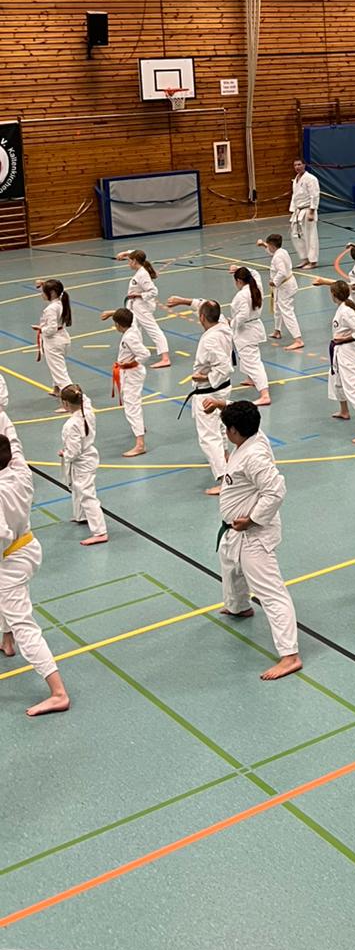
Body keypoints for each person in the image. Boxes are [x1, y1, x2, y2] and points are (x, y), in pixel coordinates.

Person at [211, 399, 301, 681]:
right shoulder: (254, 435)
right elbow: (245, 412)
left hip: (254, 532)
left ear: (234, 431)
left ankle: (290, 655)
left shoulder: (254, 456)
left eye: (227, 428)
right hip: (235, 531)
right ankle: (238, 607)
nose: (226, 432)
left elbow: (276, 490)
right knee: (231, 567)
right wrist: (221, 404)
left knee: (270, 592)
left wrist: (252, 519)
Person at [0, 429, 71, 714]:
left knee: (24, 625)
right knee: (6, 600)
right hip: (28, 546)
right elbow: (14, 442)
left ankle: (58, 692)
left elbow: (1, 536)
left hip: (10, 559)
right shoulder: (20, 471)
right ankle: (6, 641)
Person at [172, 298, 235, 493]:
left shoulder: (210, 340)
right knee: (221, 429)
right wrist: (183, 301)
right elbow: (205, 304)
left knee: (209, 437)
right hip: (223, 389)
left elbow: (224, 366)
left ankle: (224, 480)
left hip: (209, 392)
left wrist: (205, 376)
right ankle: (226, 460)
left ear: (201, 318)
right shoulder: (223, 325)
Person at [323, 280, 355, 443]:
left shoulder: (346, 311)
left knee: (352, 388)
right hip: (340, 351)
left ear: (334, 295)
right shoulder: (345, 304)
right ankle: (344, 411)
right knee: (336, 379)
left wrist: (346, 338)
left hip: (347, 352)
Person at [59, 384, 107, 545]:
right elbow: (85, 399)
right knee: (78, 488)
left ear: (65, 403)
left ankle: (100, 532)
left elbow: (74, 451)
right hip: (88, 455)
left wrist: (65, 453)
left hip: (82, 461)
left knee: (87, 494)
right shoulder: (87, 411)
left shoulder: (71, 424)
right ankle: (81, 516)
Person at [103, 306, 149, 456]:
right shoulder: (133, 327)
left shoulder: (130, 337)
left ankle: (140, 444)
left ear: (118, 324)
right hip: (130, 373)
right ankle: (140, 427)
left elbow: (145, 354)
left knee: (131, 406)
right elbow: (132, 313)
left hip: (132, 373)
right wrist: (112, 313)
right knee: (133, 403)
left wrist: (130, 363)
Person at [115, 248, 172, 368]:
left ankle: (165, 358)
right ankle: (136, 352)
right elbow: (137, 253)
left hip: (142, 307)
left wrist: (138, 295)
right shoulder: (139, 269)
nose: (128, 263)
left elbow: (153, 291)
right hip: (135, 307)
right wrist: (125, 253)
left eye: (129, 261)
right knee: (134, 329)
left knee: (153, 330)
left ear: (135, 261)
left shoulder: (142, 275)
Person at [229, 266, 271, 407]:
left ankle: (265, 395)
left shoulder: (242, 295)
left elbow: (243, 315)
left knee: (253, 362)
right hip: (253, 327)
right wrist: (240, 268)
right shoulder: (256, 286)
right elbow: (256, 273)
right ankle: (251, 378)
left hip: (246, 331)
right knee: (248, 358)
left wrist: (231, 323)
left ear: (239, 281)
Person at [258, 233, 304, 351]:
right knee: (277, 308)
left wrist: (274, 282)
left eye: (268, 245)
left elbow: (282, 272)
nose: (268, 247)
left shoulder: (278, 257)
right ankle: (277, 331)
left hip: (285, 287)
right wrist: (264, 245)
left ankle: (298, 340)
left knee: (287, 311)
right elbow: (272, 252)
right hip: (285, 285)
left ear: (272, 245)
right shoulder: (282, 251)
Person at [33, 278, 73, 396]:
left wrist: (41, 329)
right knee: (57, 367)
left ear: (52, 293)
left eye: (43, 291)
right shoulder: (60, 302)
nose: (41, 294)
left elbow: (51, 329)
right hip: (62, 338)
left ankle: (72, 396)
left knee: (60, 373)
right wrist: (44, 283)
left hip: (54, 341)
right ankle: (57, 389)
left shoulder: (51, 309)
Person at [289, 159, 320, 267]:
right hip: (298, 210)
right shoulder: (296, 179)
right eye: (295, 165)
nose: (297, 167)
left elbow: (314, 195)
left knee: (310, 236)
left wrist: (312, 211)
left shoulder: (311, 179)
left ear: (304, 165)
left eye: (299, 164)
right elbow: (294, 196)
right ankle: (304, 258)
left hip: (308, 210)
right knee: (296, 235)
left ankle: (313, 261)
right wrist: (293, 210)